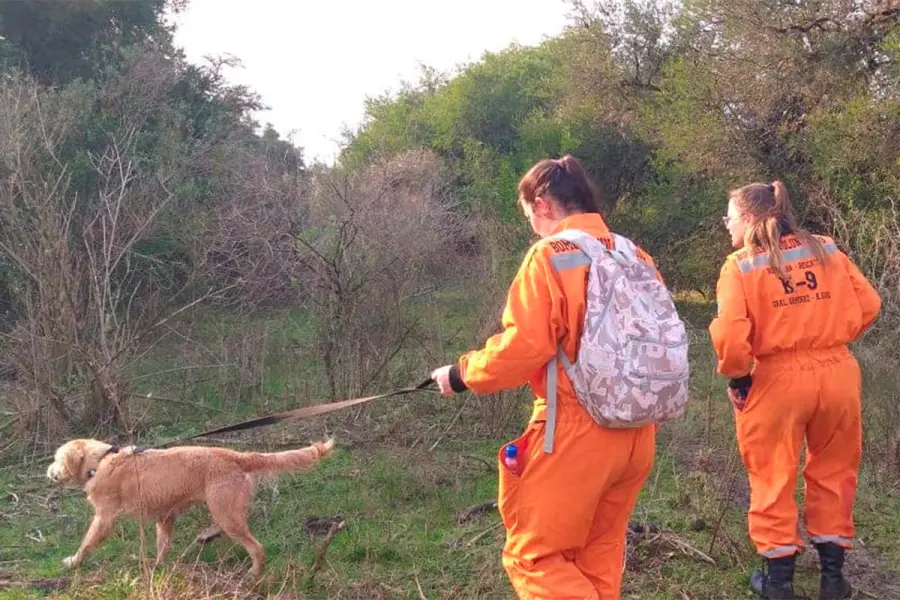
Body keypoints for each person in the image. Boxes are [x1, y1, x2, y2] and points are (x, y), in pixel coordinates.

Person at [430, 155, 666, 599]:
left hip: (576, 432)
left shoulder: (551, 255)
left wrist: (461, 374)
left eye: (528, 217)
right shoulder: (634, 253)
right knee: (597, 554)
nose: (532, 228)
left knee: (533, 558)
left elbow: (524, 347)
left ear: (542, 205)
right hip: (638, 432)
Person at [708, 180, 882, 599]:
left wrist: (739, 377)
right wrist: (832, 337)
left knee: (772, 474)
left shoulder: (740, 265)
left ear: (749, 218)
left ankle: (779, 583)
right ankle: (833, 579)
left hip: (777, 379)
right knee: (835, 471)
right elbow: (870, 304)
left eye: (729, 217)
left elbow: (730, 335)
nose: (726, 224)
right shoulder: (826, 249)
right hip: (839, 373)